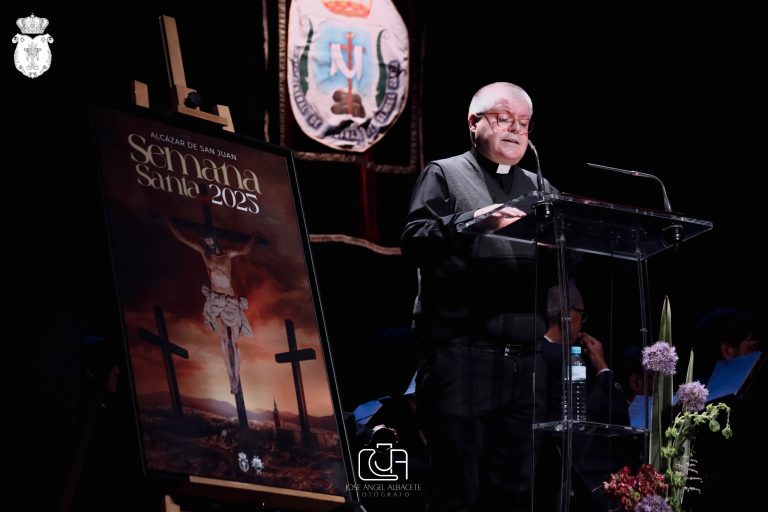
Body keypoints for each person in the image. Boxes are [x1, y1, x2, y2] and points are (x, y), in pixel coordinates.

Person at [401, 82, 556, 512]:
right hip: (462, 357)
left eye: (523, 123)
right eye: (504, 118)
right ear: (474, 122)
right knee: (459, 490)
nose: (515, 130)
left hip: (526, 365)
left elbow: (570, 256)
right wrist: (470, 222)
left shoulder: (542, 190)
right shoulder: (445, 173)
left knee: (517, 492)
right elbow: (414, 239)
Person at [536, 282, 632, 512]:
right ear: (568, 315)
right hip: (573, 465)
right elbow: (611, 412)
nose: (583, 321)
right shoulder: (568, 359)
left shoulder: (538, 349)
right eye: (581, 314)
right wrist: (601, 364)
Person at [166, 218, 257, 395]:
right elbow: (183, 239)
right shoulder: (204, 254)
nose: (208, 242)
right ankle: (230, 377)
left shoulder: (227, 255)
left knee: (235, 342)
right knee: (223, 340)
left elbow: (244, 250)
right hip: (216, 300)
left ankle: (237, 377)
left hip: (229, 298)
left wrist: (253, 238)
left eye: (210, 239)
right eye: (205, 240)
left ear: (215, 239)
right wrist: (170, 224)